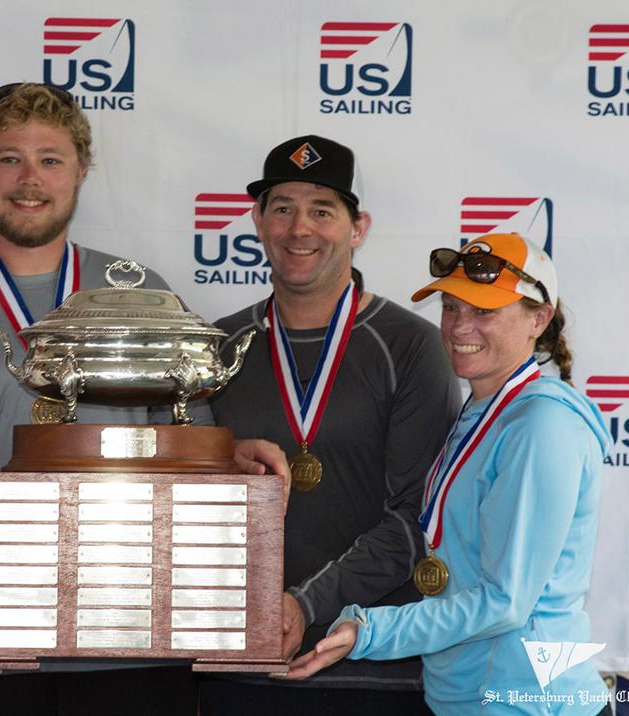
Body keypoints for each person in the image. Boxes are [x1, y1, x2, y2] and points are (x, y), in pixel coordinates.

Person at [0, 82, 286, 715]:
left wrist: (235, 457)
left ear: (81, 171)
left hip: (135, 642)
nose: (29, 178)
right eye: (9, 157)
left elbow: (190, 452)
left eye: (51, 159)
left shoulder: (146, 297)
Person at [286, 233, 613, 716]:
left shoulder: (541, 425)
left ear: (538, 319)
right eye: (452, 307)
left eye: (484, 311)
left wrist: (370, 630)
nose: (460, 326)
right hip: (471, 696)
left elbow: (504, 602)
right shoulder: (484, 409)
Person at [203, 134, 461, 715]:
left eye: (322, 210)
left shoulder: (411, 346)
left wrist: (304, 604)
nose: (300, 229)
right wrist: (216, 456)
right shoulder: (216, 348)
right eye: (283, 208)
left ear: (358, 227)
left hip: (371, 663)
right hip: (238, 665)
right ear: (258, 220)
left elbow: (420, 517)